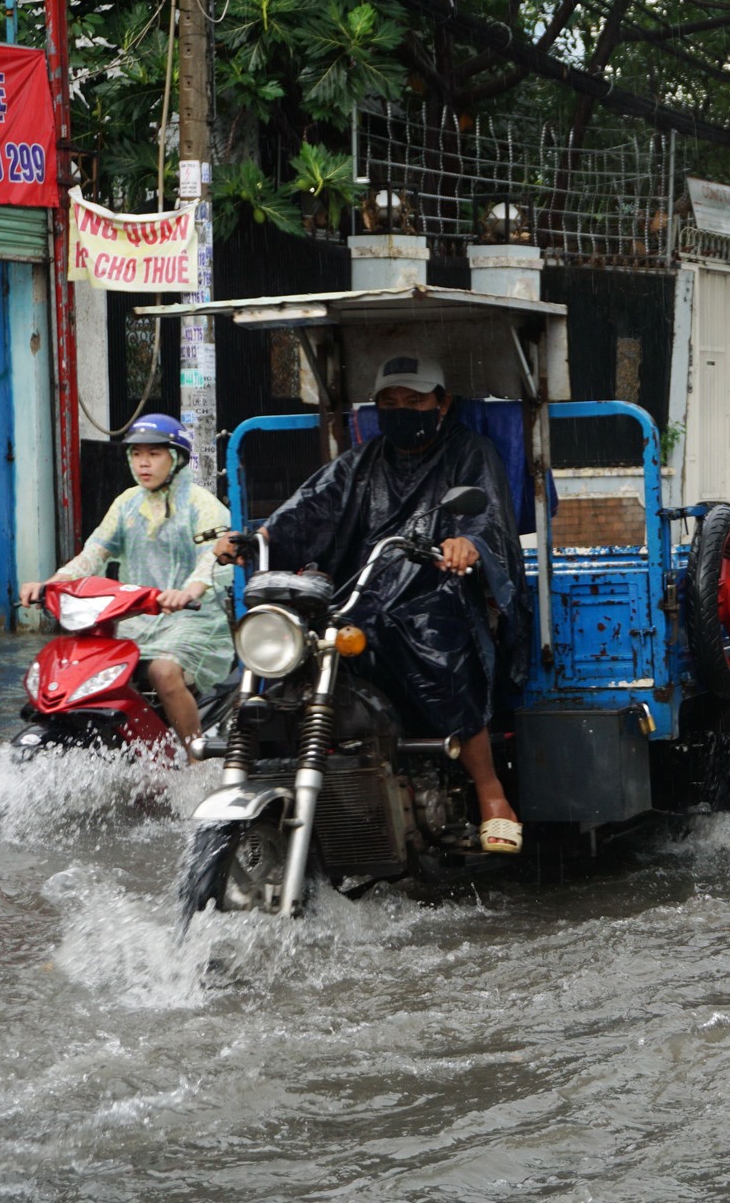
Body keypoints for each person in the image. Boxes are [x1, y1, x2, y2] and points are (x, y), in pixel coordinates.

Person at [214, 354, 530, 853]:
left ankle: (491, 791)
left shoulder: (471, 452)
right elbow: (308, 510)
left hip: (437, 585)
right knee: (289, 635)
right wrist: (256, 539)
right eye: (391, 402)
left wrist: (466, 543)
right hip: (361, 586)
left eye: (415, 401)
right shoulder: (363, 461)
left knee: (431, 634)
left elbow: (487, 516)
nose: (403, 410)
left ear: (442, 403)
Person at [20, 415, 234, 744]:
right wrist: (50, 584)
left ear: (175, 458)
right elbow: (94, 553)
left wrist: (188, 591)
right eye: (136, 454)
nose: (143, 463)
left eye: (154, 454)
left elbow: (212, 559)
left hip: (192, 617)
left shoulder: (202, 505)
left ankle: (195, 757)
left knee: (162, 672)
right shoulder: (126, 504)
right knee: (84, 668)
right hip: (135, 615)